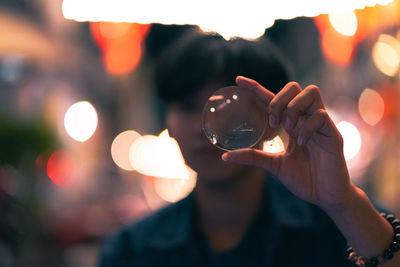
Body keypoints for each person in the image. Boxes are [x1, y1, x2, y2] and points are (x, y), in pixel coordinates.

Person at [98, 30, 400, 267]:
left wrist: (343, 202)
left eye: (228, 108)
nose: (205, 128)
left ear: (273, 118)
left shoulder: (335, 222)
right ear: (167, 120)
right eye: (188, 106)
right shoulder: (134, 250)